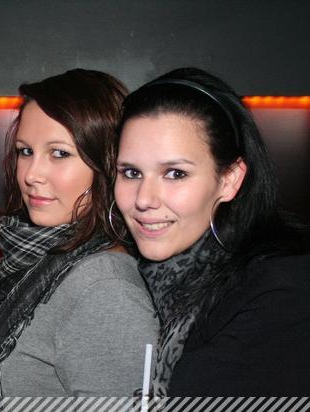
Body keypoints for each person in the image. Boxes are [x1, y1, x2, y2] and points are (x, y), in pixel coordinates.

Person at [0, 69, 158, 405]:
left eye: (59, 153)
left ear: (107, 163)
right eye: (25, 152)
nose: (31, 174)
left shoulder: (105, 289)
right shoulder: (36, 255)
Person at [112, 67, 310, 396]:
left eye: (175, 173)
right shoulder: (126, 278)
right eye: (131, 172)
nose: (144, 199)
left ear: (229, 180)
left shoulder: (280, 294)